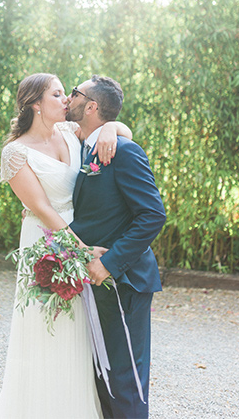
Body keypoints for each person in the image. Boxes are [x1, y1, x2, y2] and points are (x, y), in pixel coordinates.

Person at [0, 72, 132, 419]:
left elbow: (122, 131)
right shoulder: (15, 152)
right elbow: (42, 208)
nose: (66, 99)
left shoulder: (70, 132)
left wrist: (110, 128)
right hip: (47, 240)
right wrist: (80, 251)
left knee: (75, 331)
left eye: (66, 93)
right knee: (45, 325)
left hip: (75, 235)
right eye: (57, 94)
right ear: (35, 104)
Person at [67, 75, 166, 419]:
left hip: (121, 280)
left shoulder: (123, 151)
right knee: (102, 376)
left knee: (125, 379)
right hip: (91, 280)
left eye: (74, 93)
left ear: (92, 106)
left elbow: (153, 215)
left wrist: (110, 263)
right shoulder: (80, 146)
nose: (68, 98)